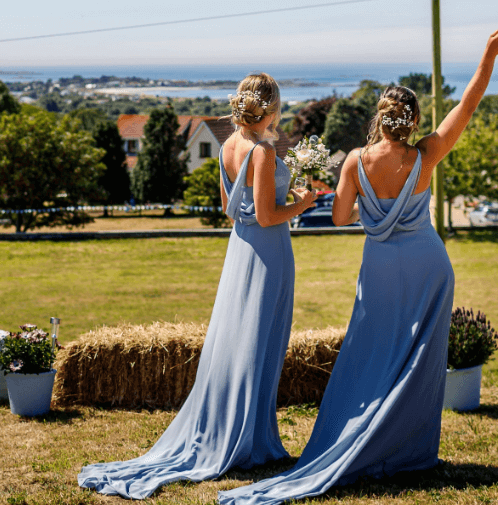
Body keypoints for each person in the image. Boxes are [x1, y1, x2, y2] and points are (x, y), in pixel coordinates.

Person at [218, 23, 498, 505]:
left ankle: (352, 438)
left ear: (379, 118)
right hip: (429, 267)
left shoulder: (356, 161)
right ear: (413, 119)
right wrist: (488, 56)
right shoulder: (427, 155)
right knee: (419, 361)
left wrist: (372, 210)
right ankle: (406, 450)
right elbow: (468, 103)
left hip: (380, 268)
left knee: (368, 353)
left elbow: (339, 217)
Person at [78, 73, 317, 500]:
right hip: (267, 254)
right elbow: (266, 216)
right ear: (272, 106)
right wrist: (302, 203)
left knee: (240, 343)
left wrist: (281, 200)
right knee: (258, 344)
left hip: (241, 250)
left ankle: (247, 434)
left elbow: (232, 210)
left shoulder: (228, 145)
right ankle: (247, 442)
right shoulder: (261, 150)